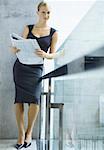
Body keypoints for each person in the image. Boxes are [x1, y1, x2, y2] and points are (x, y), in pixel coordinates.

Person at [11, 1, 58, 149]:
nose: (46, 15)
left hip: (36, 69)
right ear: (37, 12)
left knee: (34, 100)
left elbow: (53, 55)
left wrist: (45, 54)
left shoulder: (53, 33)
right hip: (21, 67)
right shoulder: (28, 28)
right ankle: (20, 134)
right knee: (19, 99)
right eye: (43, 12)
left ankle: (29, 133)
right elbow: (20, 45)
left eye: (48, 12)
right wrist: (15, 49)